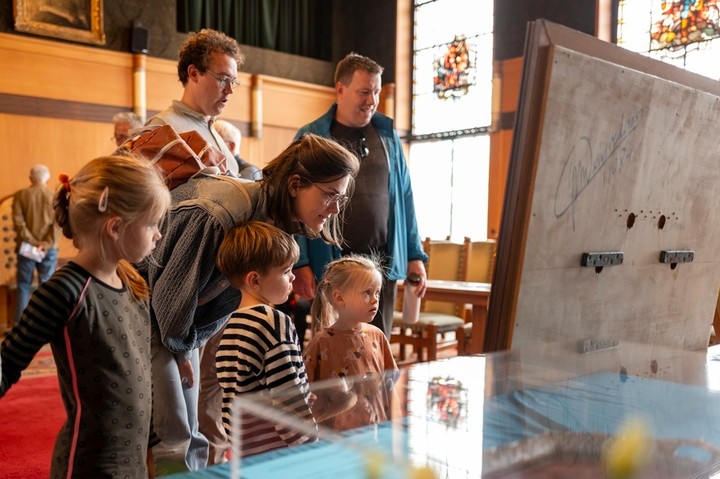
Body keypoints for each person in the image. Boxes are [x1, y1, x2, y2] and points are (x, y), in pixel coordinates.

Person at [137, 133, 360, 471]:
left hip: (172, 321)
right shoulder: (222, 212)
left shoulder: (275, 218)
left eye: (341, 198)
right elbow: (170, 298)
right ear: (296, 184)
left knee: (189, 430)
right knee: (175, 435)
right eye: (331, 195)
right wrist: (182, 350)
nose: (336, 208)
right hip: (143, 312)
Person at [0, 155, 171, 477]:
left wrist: (150, 451)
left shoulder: (133, 284)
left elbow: (139, 375)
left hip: (131, 462)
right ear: (116, 227)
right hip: (89, 465)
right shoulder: (64, 290)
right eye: (151, 224)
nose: (158, 235)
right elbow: (6, 363)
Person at [292, 52, 428, 339]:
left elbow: (405, 197)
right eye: (364, 91)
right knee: (333, 357)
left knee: (377, 355)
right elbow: (294, 202)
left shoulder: (388, 137)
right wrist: (301, 262)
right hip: (332, 268)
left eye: (376, 91)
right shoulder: (311, 137)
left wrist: (415, 254)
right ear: (340, 89)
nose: (372, 100)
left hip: (382, 268)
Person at [215, 221, 315, 456]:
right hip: (279, 452)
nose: (292, 278)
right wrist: (311, 446)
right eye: (285, 271)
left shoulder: (229, 324)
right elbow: (287, 402)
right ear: (255, 280)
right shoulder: (273, 323)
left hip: (246, 449)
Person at [303, 254, 398, 431]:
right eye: (367, 293)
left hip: (376, 430)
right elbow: (307, 395)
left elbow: (390, 385)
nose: (375, 299)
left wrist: (396, 426)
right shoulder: (321, 342)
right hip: (336, 438)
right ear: (339, 298)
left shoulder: (377, 335)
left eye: (377, 292)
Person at [146, 28, 242, 176]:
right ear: (194, 73)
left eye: (233, 82)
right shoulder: (163, 127)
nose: (230, 90)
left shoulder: (213, 130)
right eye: (223, 79)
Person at [12, 164, 59, 325]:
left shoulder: (20, 196)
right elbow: (57, 225)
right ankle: (45, 325)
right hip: (48, 249)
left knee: (23, 286)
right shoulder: (53, 196)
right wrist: (44, 244)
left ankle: (20, 325)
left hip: (26, 248)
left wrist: (33, 243)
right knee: (46, 286)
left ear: (31, 178)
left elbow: (19, 224)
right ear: (47, 179)